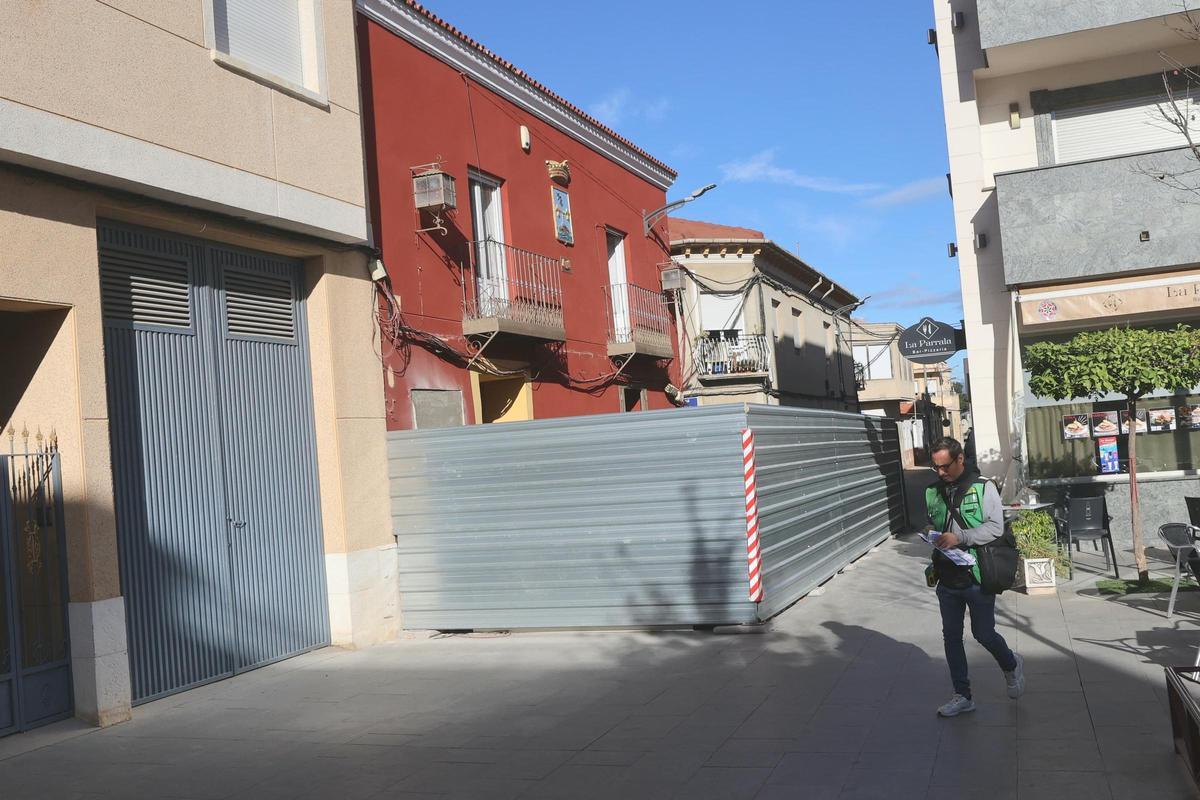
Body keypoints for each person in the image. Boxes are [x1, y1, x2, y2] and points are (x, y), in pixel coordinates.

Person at [925, 436, 1025, 717]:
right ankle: (962, 695)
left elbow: (995, 528)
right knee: (951, 637)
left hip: (978, 575)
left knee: (983, 633)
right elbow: (935, 522)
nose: (941, 473)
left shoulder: (983, 488)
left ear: (960, 460)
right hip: (947, 577)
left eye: (945, 466)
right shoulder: (932, 492)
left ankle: (1011, 664)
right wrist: (932, 535)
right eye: (936, 468)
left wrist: (960, 537)